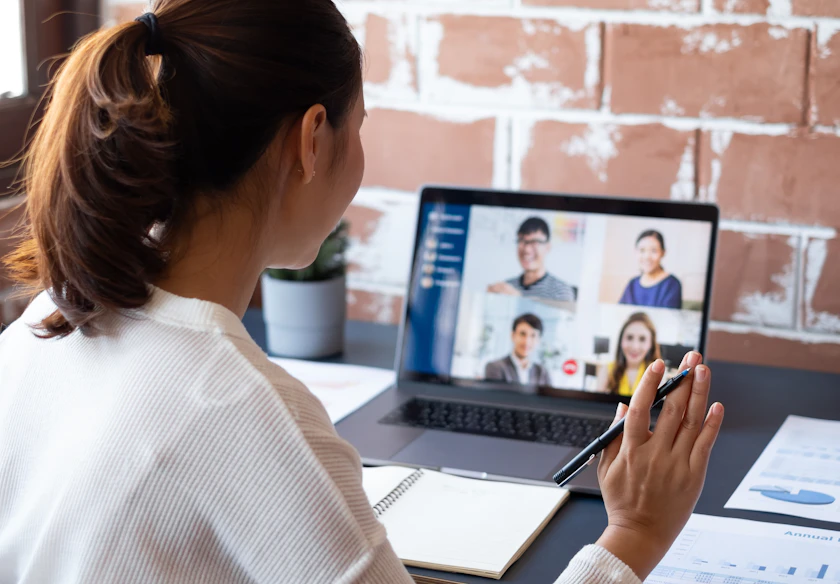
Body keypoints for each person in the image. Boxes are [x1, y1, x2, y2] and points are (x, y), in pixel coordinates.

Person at [0, 2, 724, 582]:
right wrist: (635, 535)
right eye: (361, 125)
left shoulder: (50, 319)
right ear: (311, 140)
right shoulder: (241, 413)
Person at [487, 217, 577, 302]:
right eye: (522, 241)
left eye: (534, 242)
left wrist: (518, 300)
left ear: (548, 247)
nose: (527, 249)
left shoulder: (561, 291)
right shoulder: (507, 287)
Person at [598, 312, 662, 396]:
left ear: (651, 344)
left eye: (642, 339)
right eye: (629, 337)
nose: (635, 347)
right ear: (621, 340)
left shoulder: (656, 373)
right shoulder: (607, 370)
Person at [484, 313, 551, 389]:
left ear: (538, 340)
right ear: (513, 335)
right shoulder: (495, 367)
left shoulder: (543, 373)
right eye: (522, 334)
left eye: (533, 336)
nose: (527, 341)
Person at [619, 230, 683, 309]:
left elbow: (668, 319)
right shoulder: (632, 284)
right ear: (636, 252)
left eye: (654, 251)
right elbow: (620, 313)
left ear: (663, 253)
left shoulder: (672, 284)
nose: (647, 257)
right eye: (642, 250)